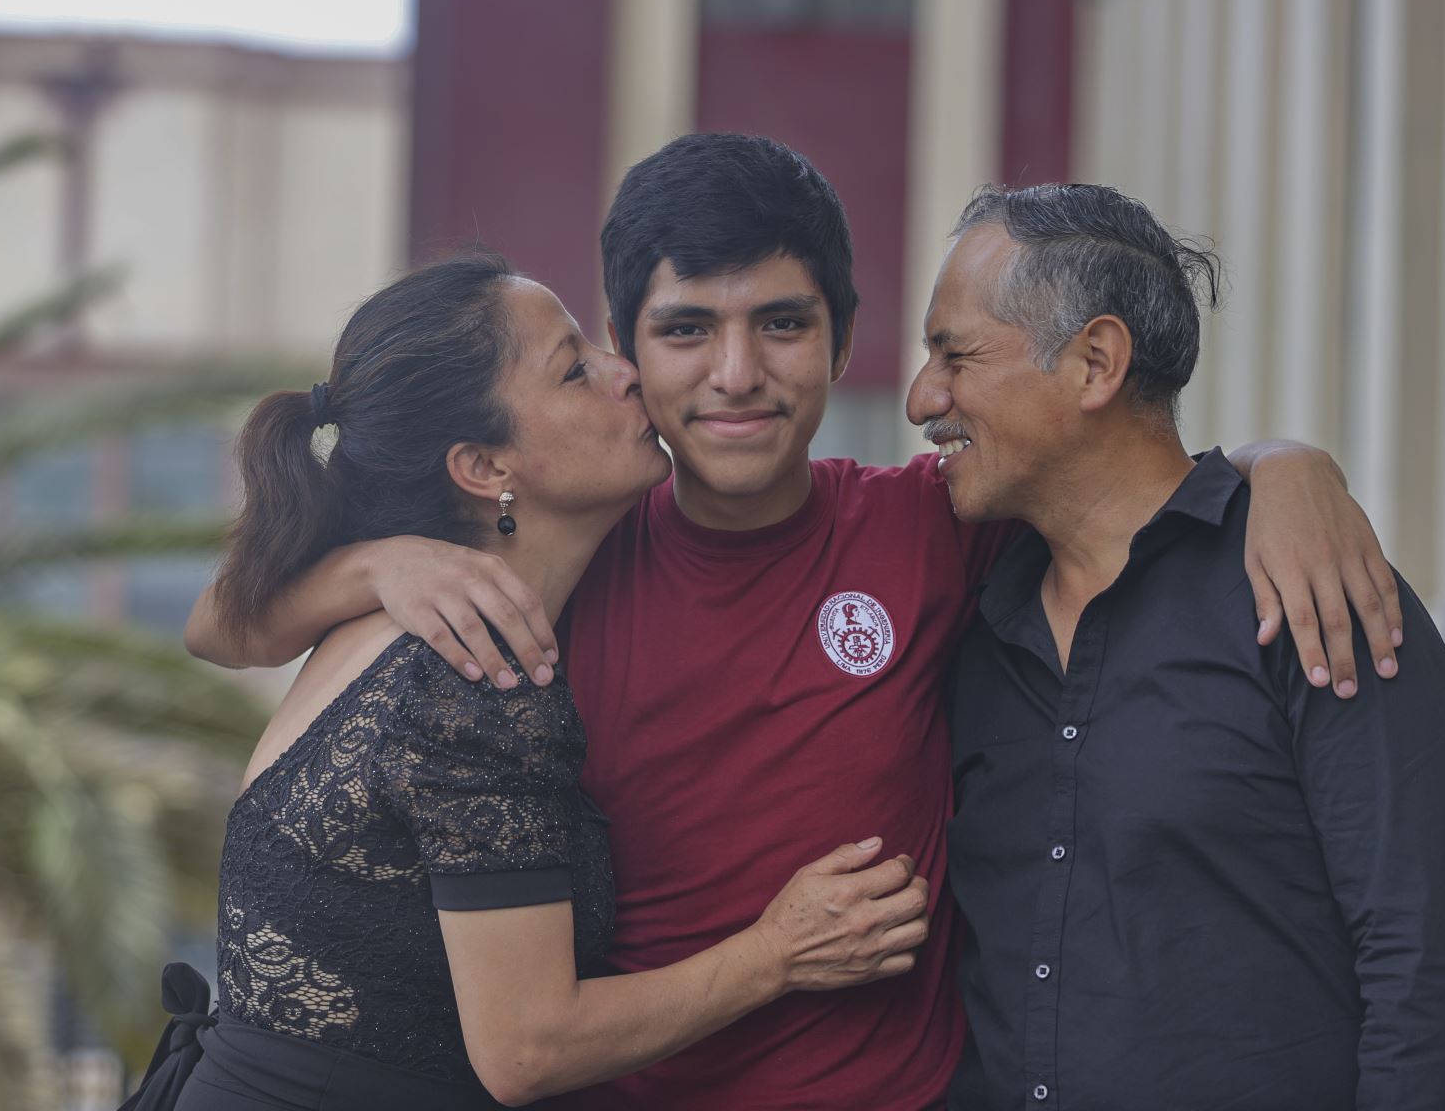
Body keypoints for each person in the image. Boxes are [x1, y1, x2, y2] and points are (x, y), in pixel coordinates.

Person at [184, 135, 1405, 1110]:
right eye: (683, 332)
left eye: (780, 323)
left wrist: (1285, 466)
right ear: (627, 359)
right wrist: (388, 563)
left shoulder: (928, 526)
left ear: (842, 342)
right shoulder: (545, 590)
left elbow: (1110, 465)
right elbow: (226, 625)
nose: (735, 375)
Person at [125, 250, 932, 1111]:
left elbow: (219, 621)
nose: (627, 374)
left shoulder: (382, 616)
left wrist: (370, 564)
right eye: (575, 368)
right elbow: (528, 1050)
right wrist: (779, 952)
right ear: (483, 468)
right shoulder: (473, 676)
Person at [911, 184, 1445, 1110]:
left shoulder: (1307, 592)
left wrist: (1288, 467)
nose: (921, 399)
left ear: (1095, 361)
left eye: (954, 355)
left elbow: (1428, 964)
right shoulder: (966, 615)